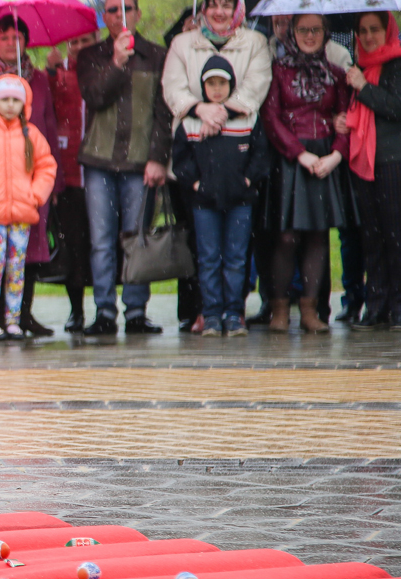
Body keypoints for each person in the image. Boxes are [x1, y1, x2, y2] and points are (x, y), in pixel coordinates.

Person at [163, 0, 272, 333]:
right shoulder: (182, 43)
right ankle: (204, 312)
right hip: (198, 153)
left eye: (227, 5)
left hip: (237, 154)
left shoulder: (255, 42)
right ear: (203, 9)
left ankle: (233, 310)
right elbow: (173, 87)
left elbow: (255, 87)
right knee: (201, 247)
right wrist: (198, 109)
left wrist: (220, 110)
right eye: (214, 5)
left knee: (237, 251)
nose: (220, 12)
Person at [0, 15, 63, 337]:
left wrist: (38, 193)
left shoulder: (33, 127)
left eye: (17, 37)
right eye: (4, 36)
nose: (10, 42)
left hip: (23, 207)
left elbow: (47, 161)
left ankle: (16, 318)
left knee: (19, 266)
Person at [78, 0, 172, 336]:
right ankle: (104, 311)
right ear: (105, 17)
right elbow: (94, 96)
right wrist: (116, 62)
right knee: (101, 241)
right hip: (99, 161)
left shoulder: (158, 56)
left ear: (138, 14)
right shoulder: (89, 56)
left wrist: (159, 158)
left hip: (139, 163)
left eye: (127, 8)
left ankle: (135, 311)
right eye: (114, 11)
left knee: (138, 239)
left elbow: (165, 112)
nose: (121, 16)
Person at [262, 13, 350, 333]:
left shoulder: (337, 74)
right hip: (290, 158)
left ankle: (310, 309)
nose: (309, 36)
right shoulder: (279, 71)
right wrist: (300, 154)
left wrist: (335, 155)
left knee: (317, 235)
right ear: (293, 32)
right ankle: (280, 308)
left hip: (326, 156)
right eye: (303, 30)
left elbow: (346, 117)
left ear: (325, 33)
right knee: (286, 236)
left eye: (316, 30)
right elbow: (271, 117)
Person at [343, 12, 401, 331]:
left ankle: (398, 305)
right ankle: (376, 304)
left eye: (375, 30)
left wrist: (363, 87)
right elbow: (358, 111)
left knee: (395, 235)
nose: (368, 37)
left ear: (388, 30)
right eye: (362, 31)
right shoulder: (359, 66)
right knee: (372, 237)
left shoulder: (396, 63)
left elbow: (395, 107)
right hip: (365, 160)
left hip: (393, 159)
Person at [47, 30, 99, 334]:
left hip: (100, 169)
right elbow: (47, 110)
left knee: (101, 243)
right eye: (74, 41)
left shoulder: (102, 68)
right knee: (73, 243)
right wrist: (53, 72)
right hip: (67, 174)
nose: (79, 47)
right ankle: (76, 309)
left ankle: (106, 308)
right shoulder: (58, 72)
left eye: (85, 41)